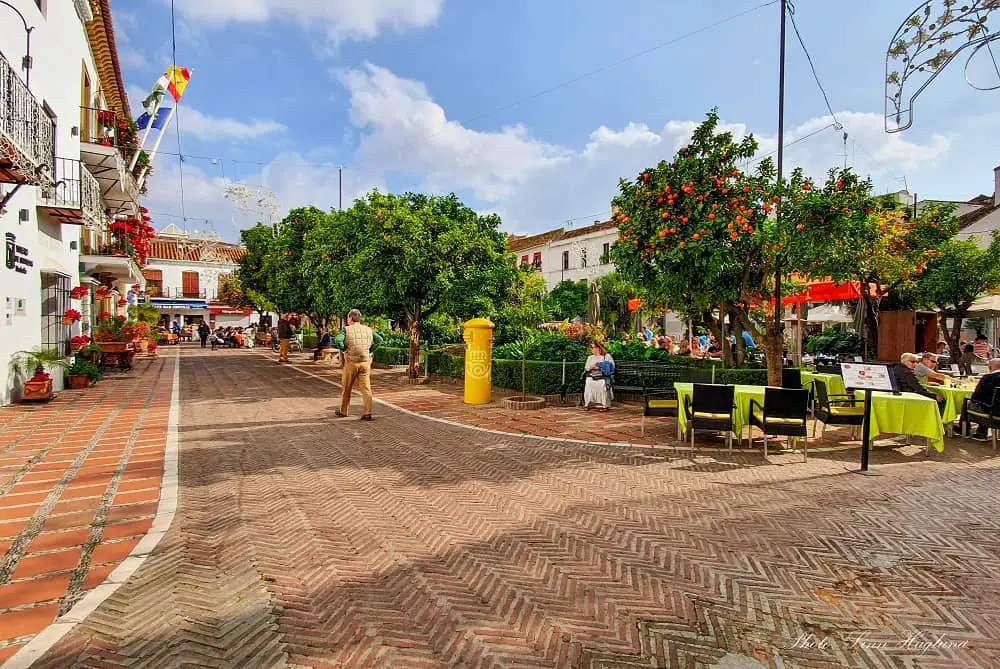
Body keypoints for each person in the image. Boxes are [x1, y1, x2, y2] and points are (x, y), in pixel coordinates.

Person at [333, 309, 383, 421]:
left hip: (351, 362)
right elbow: (379, 340)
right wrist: (370, 351)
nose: (347, 320)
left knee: (347, 387)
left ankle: (344, 411)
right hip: (365, 363)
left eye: (347, 318)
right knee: (366, 388)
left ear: (350, 318)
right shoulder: (368, 329)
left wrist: (345, 350)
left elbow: (337, 340)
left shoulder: (346, 330)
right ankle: (367, 412)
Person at [968, 358, 1000, 441]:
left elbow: (976, 396)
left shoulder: (987, 378)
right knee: (989, 403)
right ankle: (981, 431)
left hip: (991, 411)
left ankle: (971, 431)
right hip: (997, 409)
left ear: (990, 368)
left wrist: (971, 401)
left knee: (969, 403)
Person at [583, 342, 615, 411]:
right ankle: (588, 403)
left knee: (602, 383)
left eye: (593, 347)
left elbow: (611, 367)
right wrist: (591, 367)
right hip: (592, 375)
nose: (591, 349)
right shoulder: (590, 357)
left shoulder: (607, 356)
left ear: (598, 348)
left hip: (603, 376)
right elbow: (586, 368)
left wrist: (599, 367)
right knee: (588, 382)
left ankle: (604, 405)